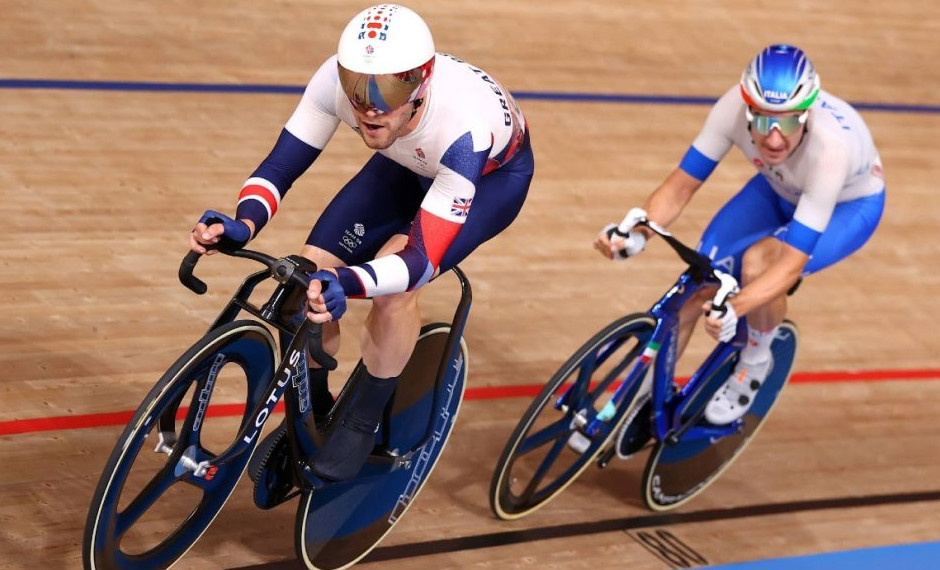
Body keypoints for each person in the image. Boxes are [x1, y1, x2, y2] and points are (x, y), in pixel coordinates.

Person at [189, 4, 533, 481]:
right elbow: (280, 167)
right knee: (302, 282)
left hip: (489, 181)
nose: (369, 106)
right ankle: (314, 405)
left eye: (387, 91)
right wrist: (244, 224)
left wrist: (347, 281)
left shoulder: (463, 129)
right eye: (357, 87)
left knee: (393, 290)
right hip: (406, 160)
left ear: (420, 86)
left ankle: (362, 418)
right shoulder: (334, 83)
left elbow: (417, 261)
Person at [595, 44, 884, 424]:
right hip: (779, 188)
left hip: (847, 208)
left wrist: (736, 306)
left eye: (789, 123)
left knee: (759, 264)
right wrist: (636, 233)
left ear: (808, 113)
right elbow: (680, 187)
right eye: (763, 122)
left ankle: (756, 360)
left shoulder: (831, 150)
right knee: (696, 285)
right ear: (747, 108)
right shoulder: (731, 107)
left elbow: (790, 265)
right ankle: (634, 400)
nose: (775, 139)